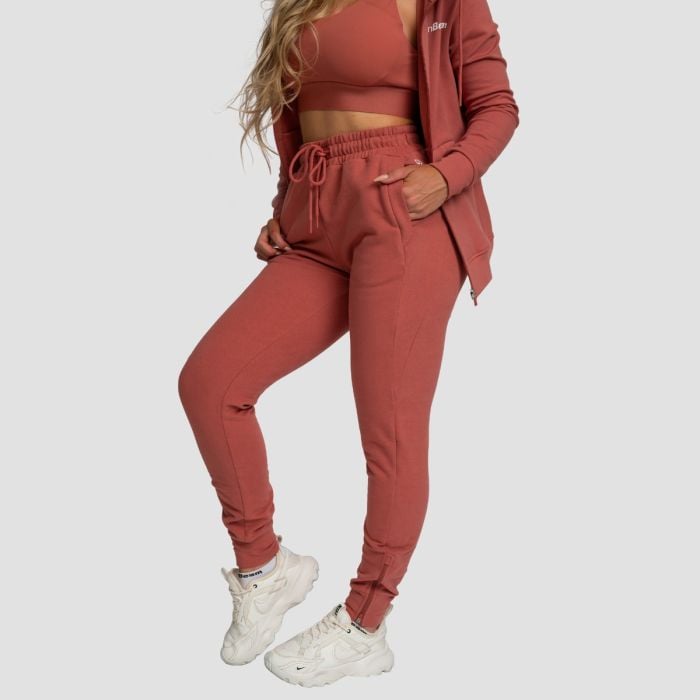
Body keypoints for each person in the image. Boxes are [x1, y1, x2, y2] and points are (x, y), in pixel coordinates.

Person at [178, 0, 519, 686]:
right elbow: (293, 110)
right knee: (211, 383)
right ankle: (265, 568)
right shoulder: (301, 3)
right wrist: (285, 205)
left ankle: (366, 621)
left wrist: (445, 175)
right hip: (317, 217)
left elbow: (497, 107)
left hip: (403, 212)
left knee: (388, 431)